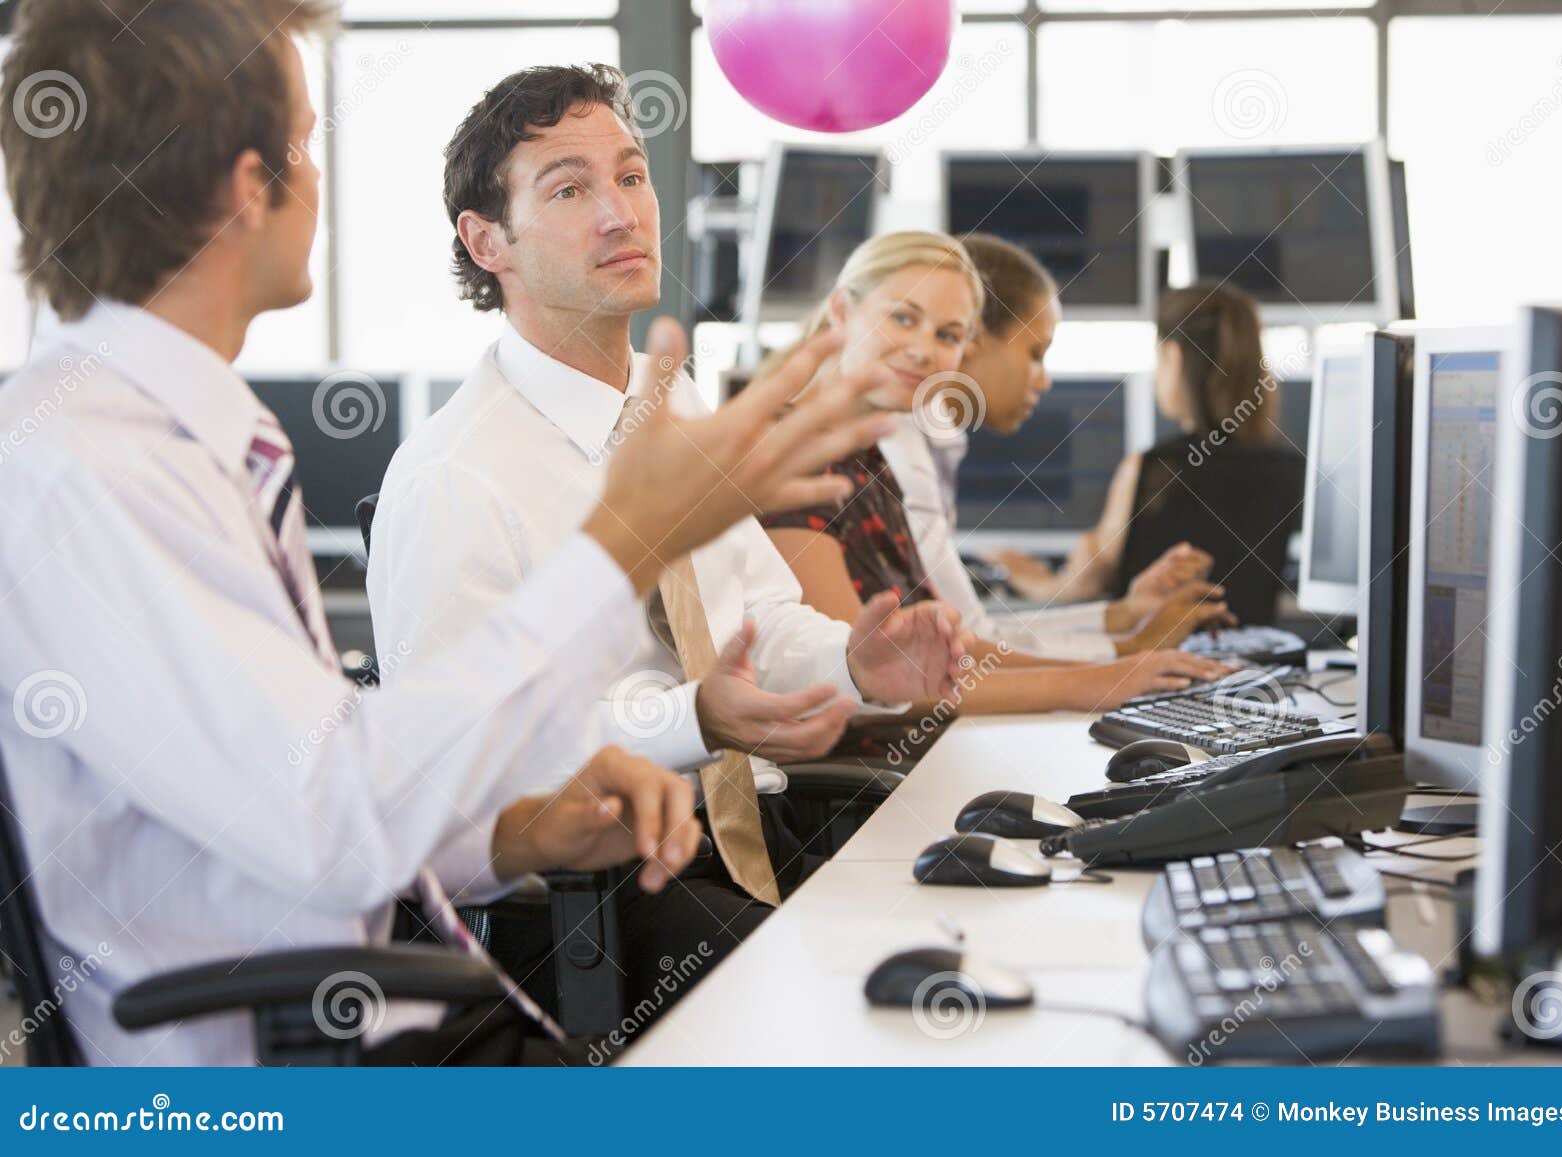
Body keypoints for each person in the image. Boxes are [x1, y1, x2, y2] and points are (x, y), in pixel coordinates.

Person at [0, 0, 909, 1066]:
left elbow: (332, 782)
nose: (321, 179)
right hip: (295, 1065)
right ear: (253, 186)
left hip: (397, 1006)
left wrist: (511, 834)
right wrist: (621, 545)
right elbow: (331, 818)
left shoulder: (188, 436)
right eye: (304, 142)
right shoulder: (87, 470)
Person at [365, 65, 970, 1013]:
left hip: (746, 824)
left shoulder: (670, 392)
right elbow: (459, 767)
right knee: (847, 1019)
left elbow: (757, 612)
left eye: (632, 176)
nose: (621, 214)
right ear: (486, 242)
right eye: (570, 189)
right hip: (589, 896)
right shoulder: (456, 475)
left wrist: (854, 662)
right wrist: (694, 717)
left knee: (963, 929)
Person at [761, 232, 1233, 717]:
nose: (924, 351)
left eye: (946, 335)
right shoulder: (794, 458)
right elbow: (862, 679)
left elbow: (952, 647)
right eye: (903, 318)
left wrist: (1116, 659)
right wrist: (1101, 675)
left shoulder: (868, 455)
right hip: (875, 774)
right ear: (842, 312)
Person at [878, 232, 1235, 661]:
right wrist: (1131, 647)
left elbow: (976, 632)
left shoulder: (926, 442)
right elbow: (968, 650)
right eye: (1035, 353)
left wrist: (1122, 616)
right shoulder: (902, 453)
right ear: (974, 337)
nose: (1044, 380)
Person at [988, 281, 1279, 607]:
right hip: (1252, 649)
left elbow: (1085, 583)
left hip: (1155, 650)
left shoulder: (1155, 469)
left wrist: (1029, 577)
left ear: (1174, 356)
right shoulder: (1284, 468)